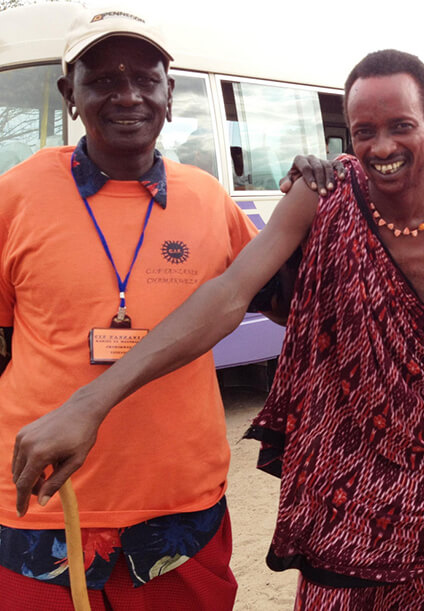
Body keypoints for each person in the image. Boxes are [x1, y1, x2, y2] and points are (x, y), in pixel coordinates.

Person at [12, 49, 424, 610]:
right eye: (363, 131)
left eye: (402, 126)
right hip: (349, 501)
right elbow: (229, 293)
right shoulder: (322, 197)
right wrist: (90, 401)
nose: (382, 147)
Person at [0, 8, 257, 609]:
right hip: (40, 508)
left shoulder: (209, 199)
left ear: (170, 94)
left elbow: (279, 295)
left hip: (180, 510)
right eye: (103, 80)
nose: (128, 96)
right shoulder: (15, 195)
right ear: (70, 94)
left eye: (146, 79)